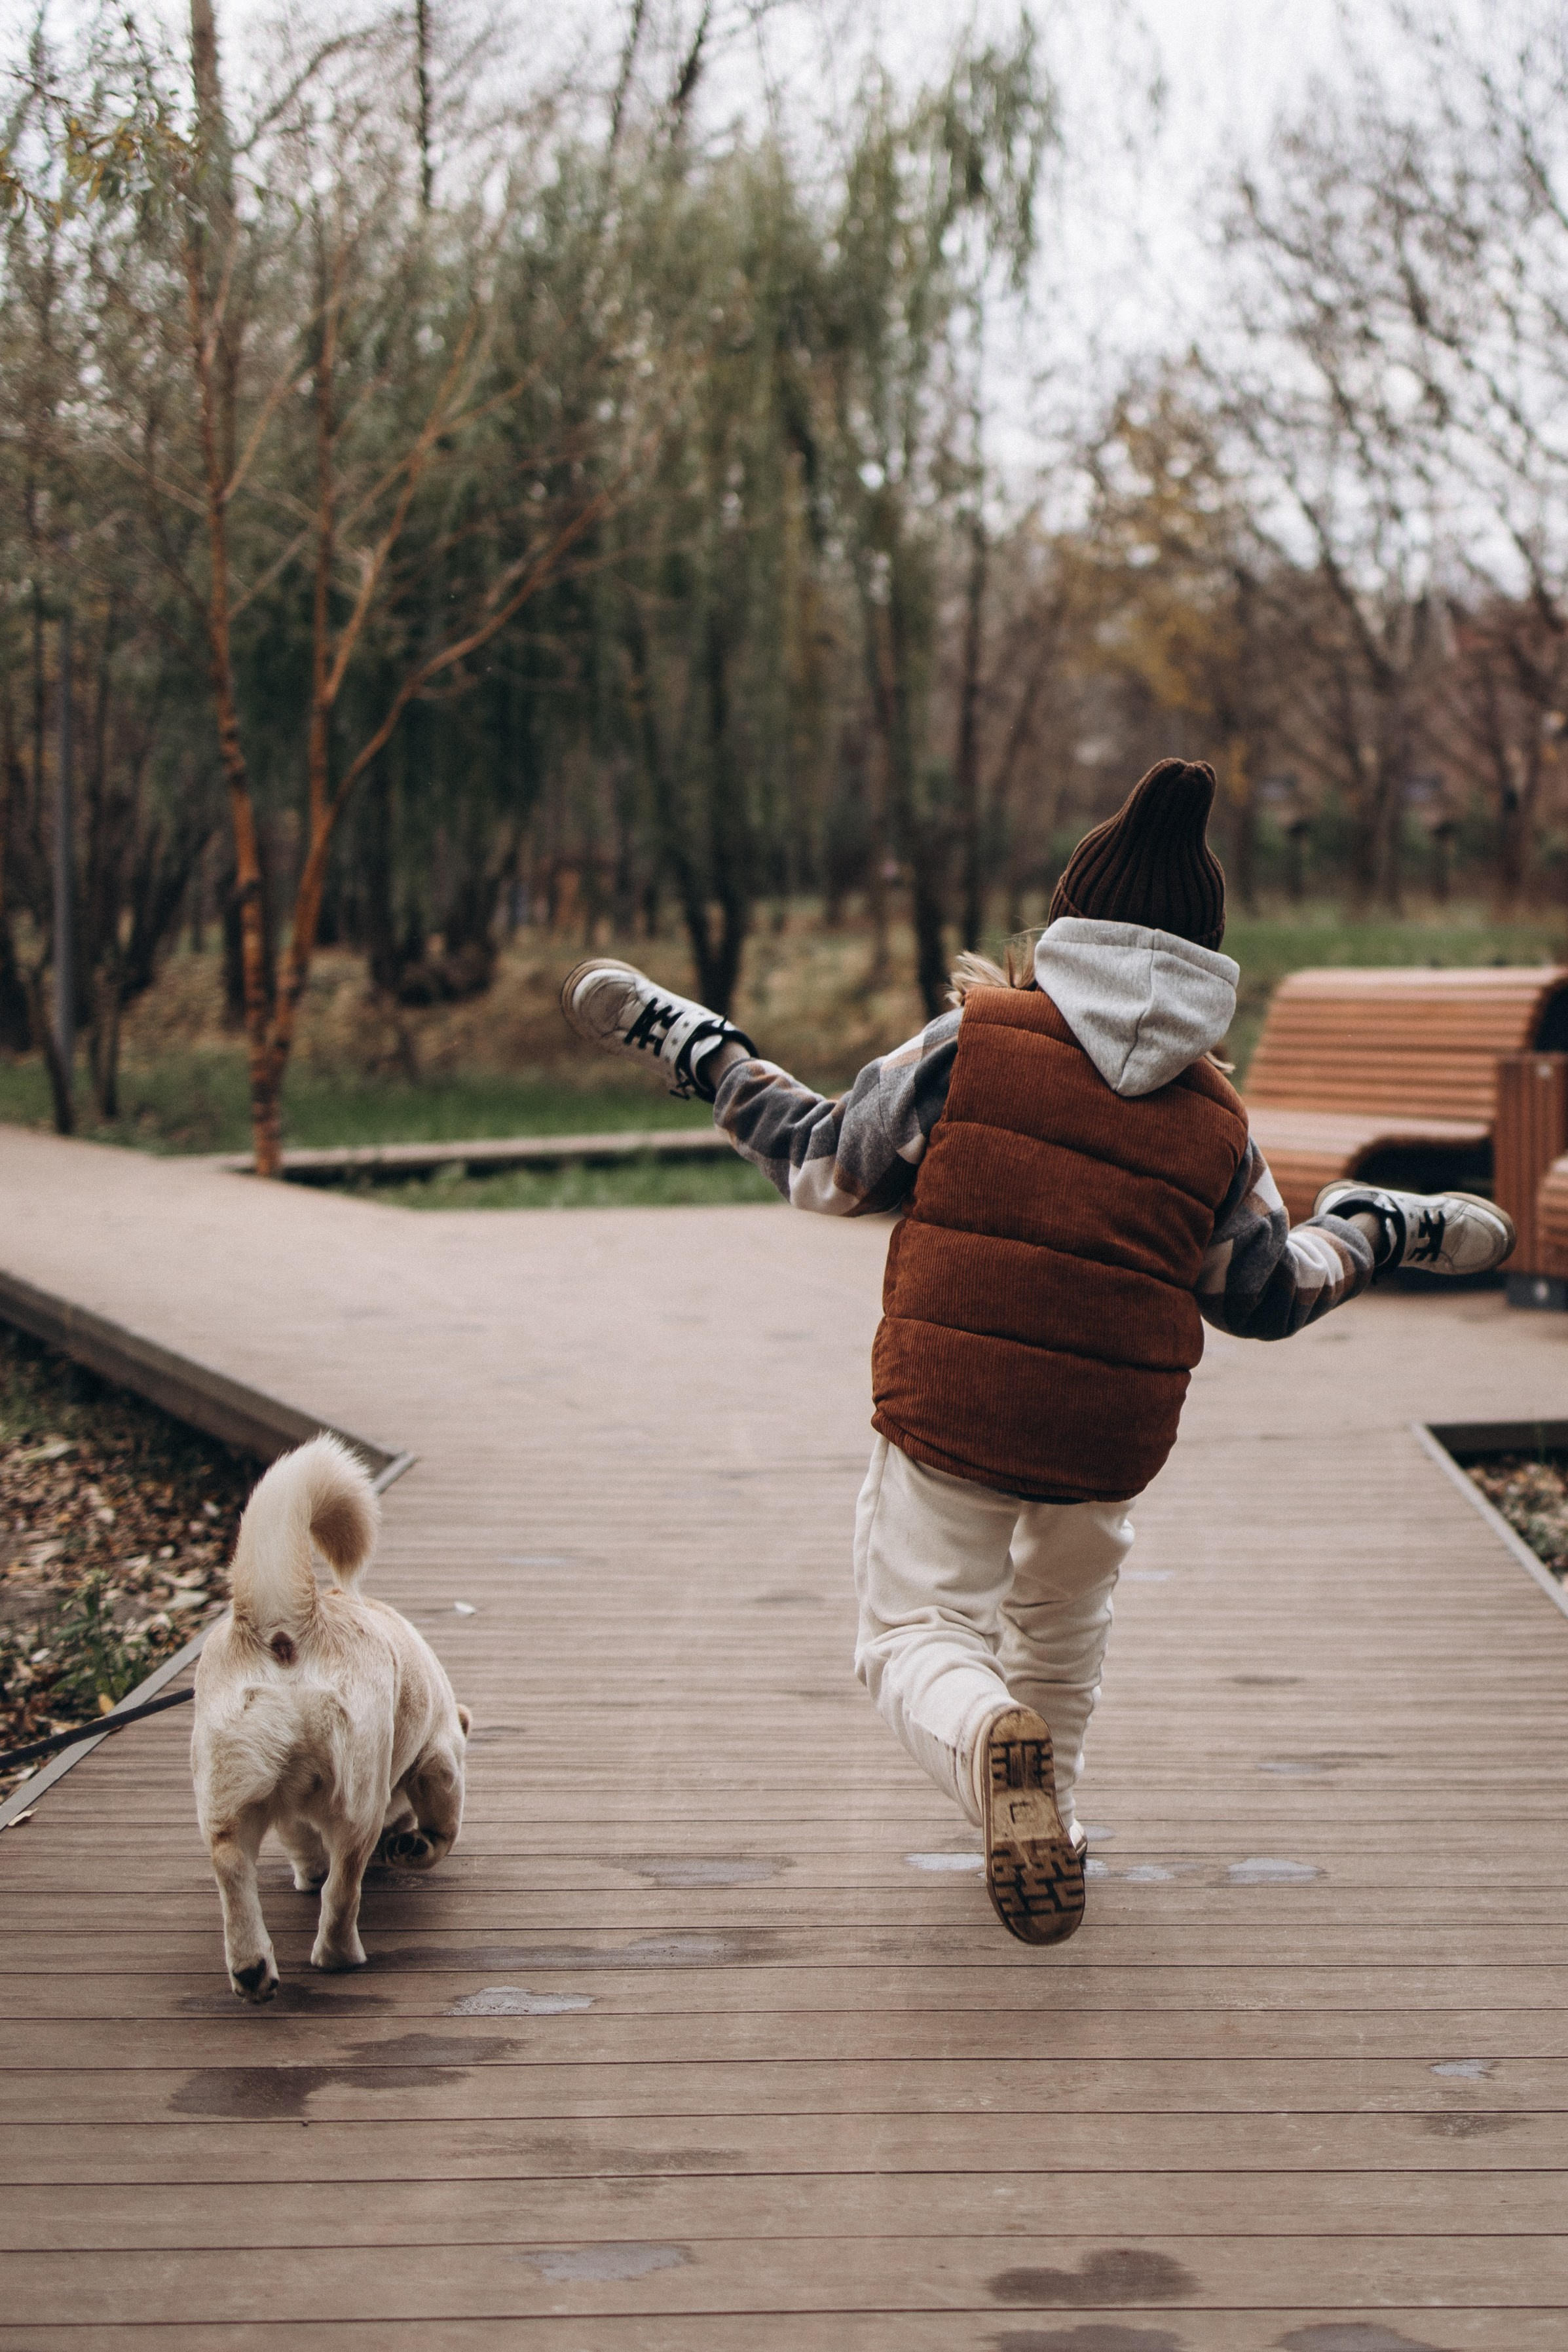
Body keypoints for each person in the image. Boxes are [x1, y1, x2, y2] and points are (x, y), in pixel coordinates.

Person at [559, 758, 1516, 1945]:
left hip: (956, 1401)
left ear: (1068, 923)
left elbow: (825, 1167)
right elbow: (1263, 1295)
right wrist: (1378, 1232)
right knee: (1059, 1630)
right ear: (1203, 962)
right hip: (1107, 1437)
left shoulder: (977, 1042)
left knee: (915, 1635)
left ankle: (983, 1747)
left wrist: (699, 1050)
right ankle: (1045, 1813)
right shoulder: (1217, 1121)